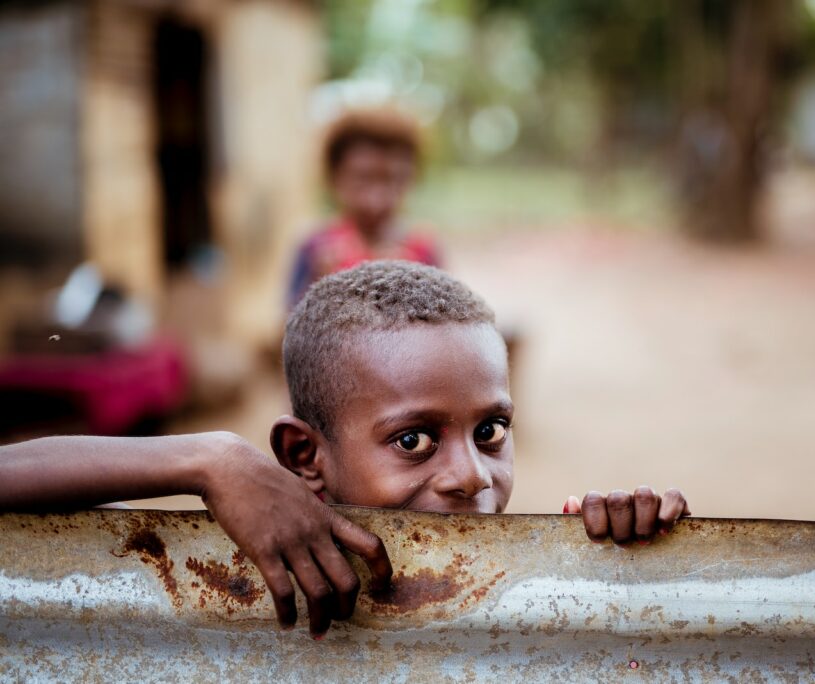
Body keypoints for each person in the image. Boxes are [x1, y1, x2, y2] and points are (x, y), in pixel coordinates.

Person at [0, 261, 689, 639]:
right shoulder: (257, 554)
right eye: (413, 441)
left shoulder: (528, 576)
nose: (471, 477)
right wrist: (209, 460)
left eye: (491, 431)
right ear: (305, 457)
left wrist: (615, 559)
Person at [287, 108, 441, 308]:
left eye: (392, 180)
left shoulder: (423, 250)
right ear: (335, 178)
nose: (375, 200)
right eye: (363, 179)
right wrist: (320, 291)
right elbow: (289, 328)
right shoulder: (316, 249)